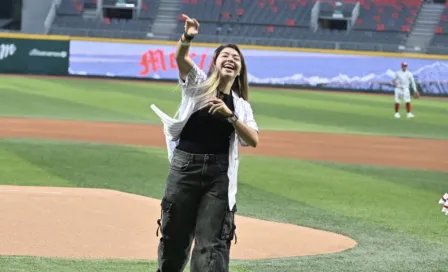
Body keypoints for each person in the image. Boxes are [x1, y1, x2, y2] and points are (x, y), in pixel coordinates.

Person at [150, 13, 259, 272]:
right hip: (184, 168)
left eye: (236, 58)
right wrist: (187, 36)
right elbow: (180, 58)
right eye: (226, 56)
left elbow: (252, 139)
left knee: (211, 244)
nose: (231, 60)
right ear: (215, 63)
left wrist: (230, 116)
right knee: (174, 237)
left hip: (218, 176)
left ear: (240, 69)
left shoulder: (241, 106)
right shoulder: (198, 84)